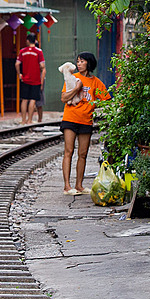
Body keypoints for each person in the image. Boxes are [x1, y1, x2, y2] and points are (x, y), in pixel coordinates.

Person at [59, 52, 110, 195]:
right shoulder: (72, 78)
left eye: (82, 61)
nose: (78, 64)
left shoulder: (95, 82)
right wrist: (76, 88)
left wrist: (95, 105)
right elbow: (63, 97)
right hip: (70, 118)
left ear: (89, 63)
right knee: (69, 152)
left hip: (86, 120)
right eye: (78, 61)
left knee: (83, 153)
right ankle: (67, 187)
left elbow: (106, 99)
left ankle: (79, 185)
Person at [15, 33, 45, 124]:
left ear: (27, 41)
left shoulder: (22, 51)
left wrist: (19, 74)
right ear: (35, 41)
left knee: (24, 99)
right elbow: (42, 65)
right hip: (36, 80)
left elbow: (17, 64)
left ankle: (23, 120)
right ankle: (30, 120)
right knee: (32, 99)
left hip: (25, 79)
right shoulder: (39, 51)